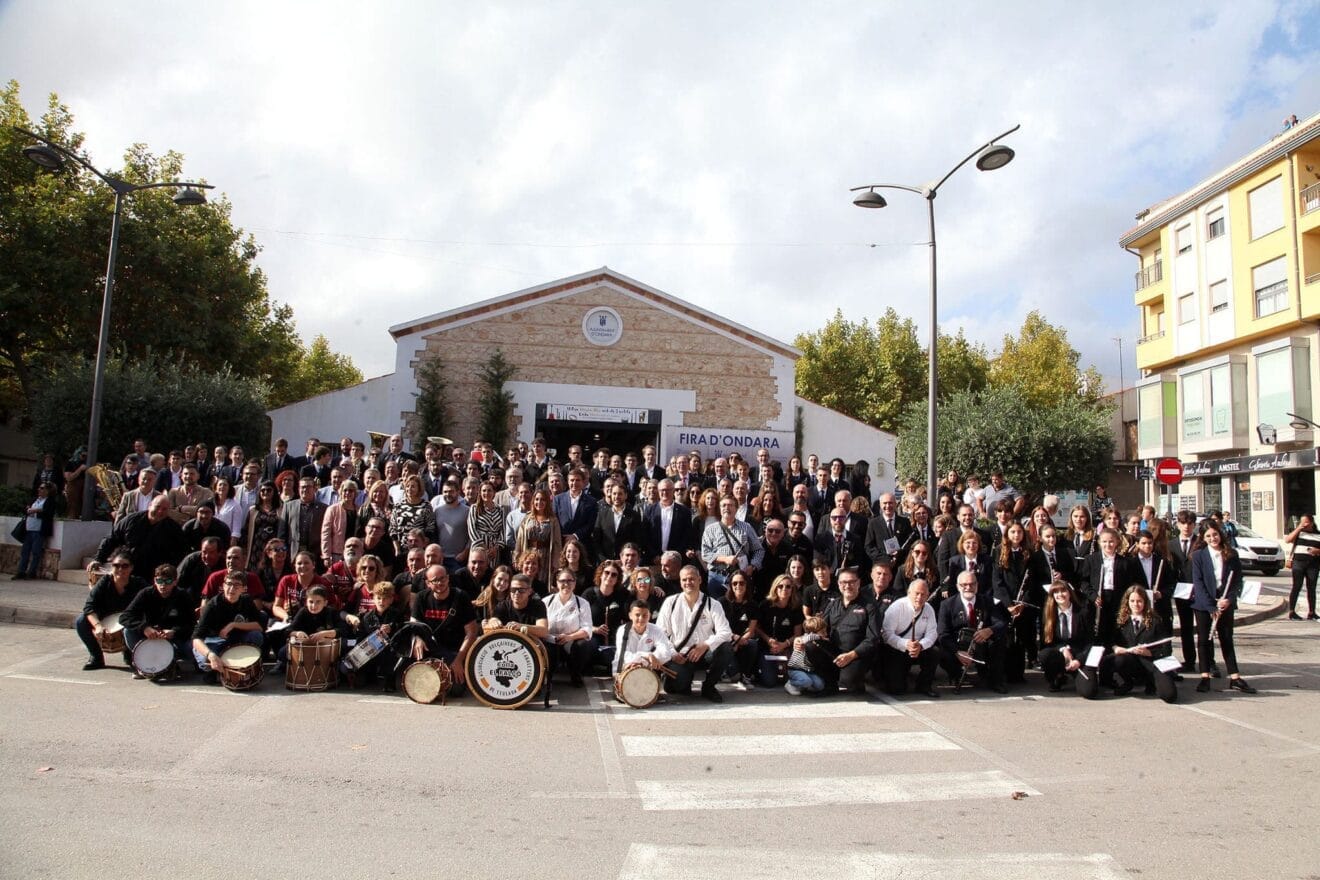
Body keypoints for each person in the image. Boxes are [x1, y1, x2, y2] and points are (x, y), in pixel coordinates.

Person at [1191, 521, 1256, 694]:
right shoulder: (1198, 555)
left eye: (1215, 534)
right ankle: (1205, 677)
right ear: (1203, 538)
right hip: (1204, 605)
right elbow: (1198, 583)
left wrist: (1228, 599)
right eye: (1208, 536)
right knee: (1204, 641)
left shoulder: (1231, 554)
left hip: (1225, 602)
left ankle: (1234, 677)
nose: (1213, 538)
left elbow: (1236, 581)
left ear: (1220, 534)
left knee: (1227, 639)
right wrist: (1211, 606)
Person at [657, 564, 733, 702]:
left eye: (692, 579)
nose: (688, 583)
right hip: (680, 655)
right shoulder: (670, 602)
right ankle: (680, 679)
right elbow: (659, 634)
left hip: (704, 653)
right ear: (680, 582)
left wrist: (706, 644)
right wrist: (673, 654)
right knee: (678, 689)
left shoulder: (712, 604)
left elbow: (726, 632)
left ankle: (709, 687)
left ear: (700, 580)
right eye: (684, 579)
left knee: (726, 648)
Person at [1088, 586, 1177, 703]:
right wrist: (1115, 648)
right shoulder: (1119, 620)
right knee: (1117, 660)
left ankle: (1151, 682)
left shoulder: (1156, 620)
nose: (1136, 604)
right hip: (1130, 661)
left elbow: (1166, 649)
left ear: (1145, 602)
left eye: (1140, 601)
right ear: (1127, 601)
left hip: (1152, 662)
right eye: (1132, 601)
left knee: (1169, 695)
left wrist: (1150, 652)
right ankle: (1127, 682)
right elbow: (1109, 641)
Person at [407, 564, 479, 692]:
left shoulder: (461, 597)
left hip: (454, 651)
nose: (440, 583)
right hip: (429, 649)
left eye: (443, 578)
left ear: (448, 578)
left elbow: (471, 633)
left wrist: (458, 660)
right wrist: (417, 639)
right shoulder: (421, 597)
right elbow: (413, 625)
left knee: (456, 689)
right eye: (435, 580)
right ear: (428, 583)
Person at [937, 570, 1008, 693]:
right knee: (943, 652)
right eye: (964, 585)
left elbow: (1002, 623)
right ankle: (956, 675)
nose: (968, 587)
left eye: (972, 584)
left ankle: (995, 680)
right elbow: (943, 634)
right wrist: (957, 652)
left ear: (977, 585)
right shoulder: (947, 605)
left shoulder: (988, 602)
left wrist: (990, 630)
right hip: (959, 646)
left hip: (982, 644)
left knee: (1000, 641)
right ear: (958, 586)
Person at [120, 563, 196, 678]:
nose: (163, 586)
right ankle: (143, 663)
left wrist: (174, 632)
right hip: (150, 637)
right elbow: (125, 617)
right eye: (159, 581)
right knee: (127, 631)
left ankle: (173, 661)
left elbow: (191, 624)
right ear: (155, 580)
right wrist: (144, 628)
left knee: (194, 652)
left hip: (174, 638)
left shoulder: (183, 596)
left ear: (175, 582)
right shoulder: (145, 594)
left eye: (168, 582)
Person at [76, 552, 148, 670]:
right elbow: (89, 607)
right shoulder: (105, 582)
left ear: (131, 568)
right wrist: (98, 626)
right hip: (106, 616)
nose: (120, 569)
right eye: (116, 565)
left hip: (129, 621)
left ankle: (130, 653)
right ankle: (96, 657)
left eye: (125, 566)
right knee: (80, 621)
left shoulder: (139, 584)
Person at [192, 570, 265, 683]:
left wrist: (233, 625)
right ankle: (219, 669)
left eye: (236, 585)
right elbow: (196, 639)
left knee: (256, 636)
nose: (231, 589)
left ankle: (236, 666)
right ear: (223, 586)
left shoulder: (246, 601)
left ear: (244, 589)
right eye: (229, 584)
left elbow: (259, 626)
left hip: (236, 640)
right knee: (206, 661)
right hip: (214, 642)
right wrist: (211, 655)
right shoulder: (212, 605)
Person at [94, 495, 186, 580]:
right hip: (129, 571)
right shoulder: (131, 520)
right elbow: (112, 539)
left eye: (164, 509)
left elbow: (180, 552)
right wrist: (98, 559)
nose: (160, 511)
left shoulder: (173, 529)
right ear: (150, 505)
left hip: (154, 575)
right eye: (157, 507)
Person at [878, 578, 939, 697]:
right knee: (897, 690)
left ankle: (924, 685)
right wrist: (906, 644)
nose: (919, 598)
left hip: (918, 647)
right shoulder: (897, 607)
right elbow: (886, 634)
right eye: (917, 593)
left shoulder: (929, 609)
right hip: (897, 648)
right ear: (909, 593)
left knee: (935, 652)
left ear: (927, 595)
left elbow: (932, 633)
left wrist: (921, 645)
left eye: (923, 594)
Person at [700, 495, 763, 598]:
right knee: (716, 608)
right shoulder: (710, 529)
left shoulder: (746, 527)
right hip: (716, 577)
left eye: (730, 505)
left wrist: (752, 566)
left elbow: (758, 550)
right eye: (723, 505)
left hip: (740, 577)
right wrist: (725, 559)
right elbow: (705, 554)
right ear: (719, 508)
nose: (726, 508)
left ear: (736, 508)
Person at [1081, 528, 1133, 649]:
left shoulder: (1125, 562)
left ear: (1117, 542)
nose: (1108, 544)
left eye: (1111, 541)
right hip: (1098, 599)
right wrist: (1093, 596)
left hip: (1117, 599)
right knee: (1098, 630)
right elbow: (1084, 582)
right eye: (1104, 541)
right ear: (1099, 542)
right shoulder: (1091, 559)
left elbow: (1129, 584)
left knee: (1115, 629)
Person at [543, 568, 594, 686]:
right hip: (551, 640)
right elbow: (541, 626)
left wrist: (569, 637)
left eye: (570, 581)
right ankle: (547, 675)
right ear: (557, 583)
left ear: (575, 583)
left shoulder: (582, 603)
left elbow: (587, 629)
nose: (566, 584)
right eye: (562, 581)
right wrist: (553, 638)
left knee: (583, 645)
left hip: (571, 641)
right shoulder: (546, 602)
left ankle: (576, 673)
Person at [1038, 580, 1091, 692]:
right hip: (1060, 655)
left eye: (1063, 591)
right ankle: (1057, 676)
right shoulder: (1048, 614)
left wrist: (1079, 661)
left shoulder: (1083, 613)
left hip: (1079, 655)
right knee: (1045, 655)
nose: (1060, 594)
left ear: (1070, 593)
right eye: (1056, 592)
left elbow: (1090, 642)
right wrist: (1063, 649)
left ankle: (1074, 673)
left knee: (1089, 691)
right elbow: (1046, 643)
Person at [614, 600, 676, 689]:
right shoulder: (623, 631)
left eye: (645, 615)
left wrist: (645, 661)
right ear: (630, 615)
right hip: (624, 670)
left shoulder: (656, 629)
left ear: (649, 616)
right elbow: (624, 656)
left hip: (647, 669)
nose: (641, 618)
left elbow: (666, 653)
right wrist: (648, 656)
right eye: (637, 615)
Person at [583, 560, 631, 671]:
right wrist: (595, 629)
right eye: (606, 572)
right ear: (600, 574)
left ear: (618, 578)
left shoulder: (623, 594)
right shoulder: (589, 594)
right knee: (585, 645)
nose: (609, 576)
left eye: (614, 574)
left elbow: (629, 617)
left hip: (614, 640)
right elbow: (578, 620)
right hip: (592, 637)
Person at [720, 571, 761, 688]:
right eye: (735, 583)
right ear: (730, 585)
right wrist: (734, 639)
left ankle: (745, 675)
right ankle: (725, 671)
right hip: (726, 639)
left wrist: (739, 640)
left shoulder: (753, 605)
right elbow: (719, 627)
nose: (738, 586)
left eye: (742, 583)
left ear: (747, 584)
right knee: (733, 675)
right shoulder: (721, 602)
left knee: (753, 644)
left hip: (743, 640)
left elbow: (751, 630)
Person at [14, 481, 57, 580]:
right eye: (39, 488)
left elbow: (47, 513)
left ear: (48, 491)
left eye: (42, 488)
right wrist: (35, 510)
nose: (39, 490)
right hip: (29, 529)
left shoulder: (49, 501)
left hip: (39, 530)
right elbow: (27, 510)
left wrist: (35, 511)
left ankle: (31, 572)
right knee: (25, 551)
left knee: (36, 552)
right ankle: (21, 571)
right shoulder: (34, 500)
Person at [1285, 514, 1320, 620]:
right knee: (1297, 586)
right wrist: (1298, 528)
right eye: (1301, 522)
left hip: (1313, 564)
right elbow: (1288, 540)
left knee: (1311, 588)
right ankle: (1291, 612)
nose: (1303, 524)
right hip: (1298, 562)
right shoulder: (1299, 533)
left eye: (1305, 522)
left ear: (1311, 523)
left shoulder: (1318, 535)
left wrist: (1317, 551)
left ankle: (1312, 612)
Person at [865, 493, 913, 568]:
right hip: (881, 567)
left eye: (890, 503)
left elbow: (910, 543)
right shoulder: (873, 523)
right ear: (880, 505)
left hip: (900, 565)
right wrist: (885, 559)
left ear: (895, 504)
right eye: (885, 503)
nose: (888, 506)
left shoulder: (904, 522)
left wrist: (899, 554)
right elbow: (869, 547)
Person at [243, 481, 283, 569]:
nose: (265, 492)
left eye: (269, 490)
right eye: (263, 490)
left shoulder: (282, 509)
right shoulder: (253, 510)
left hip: (274, 547)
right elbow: (246, 530)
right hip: (256, 547)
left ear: (274, 492)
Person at [784, 614, 827, 695]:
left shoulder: (814, 640)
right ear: (812, 632)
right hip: (796, 669)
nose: (825, 634)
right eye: (823, 632)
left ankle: (804, 685)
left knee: (820, 685)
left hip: (808, 670)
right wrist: (821, 637)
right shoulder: (806, 638)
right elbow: (810, 637)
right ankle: (791, 683)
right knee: (806, 681)